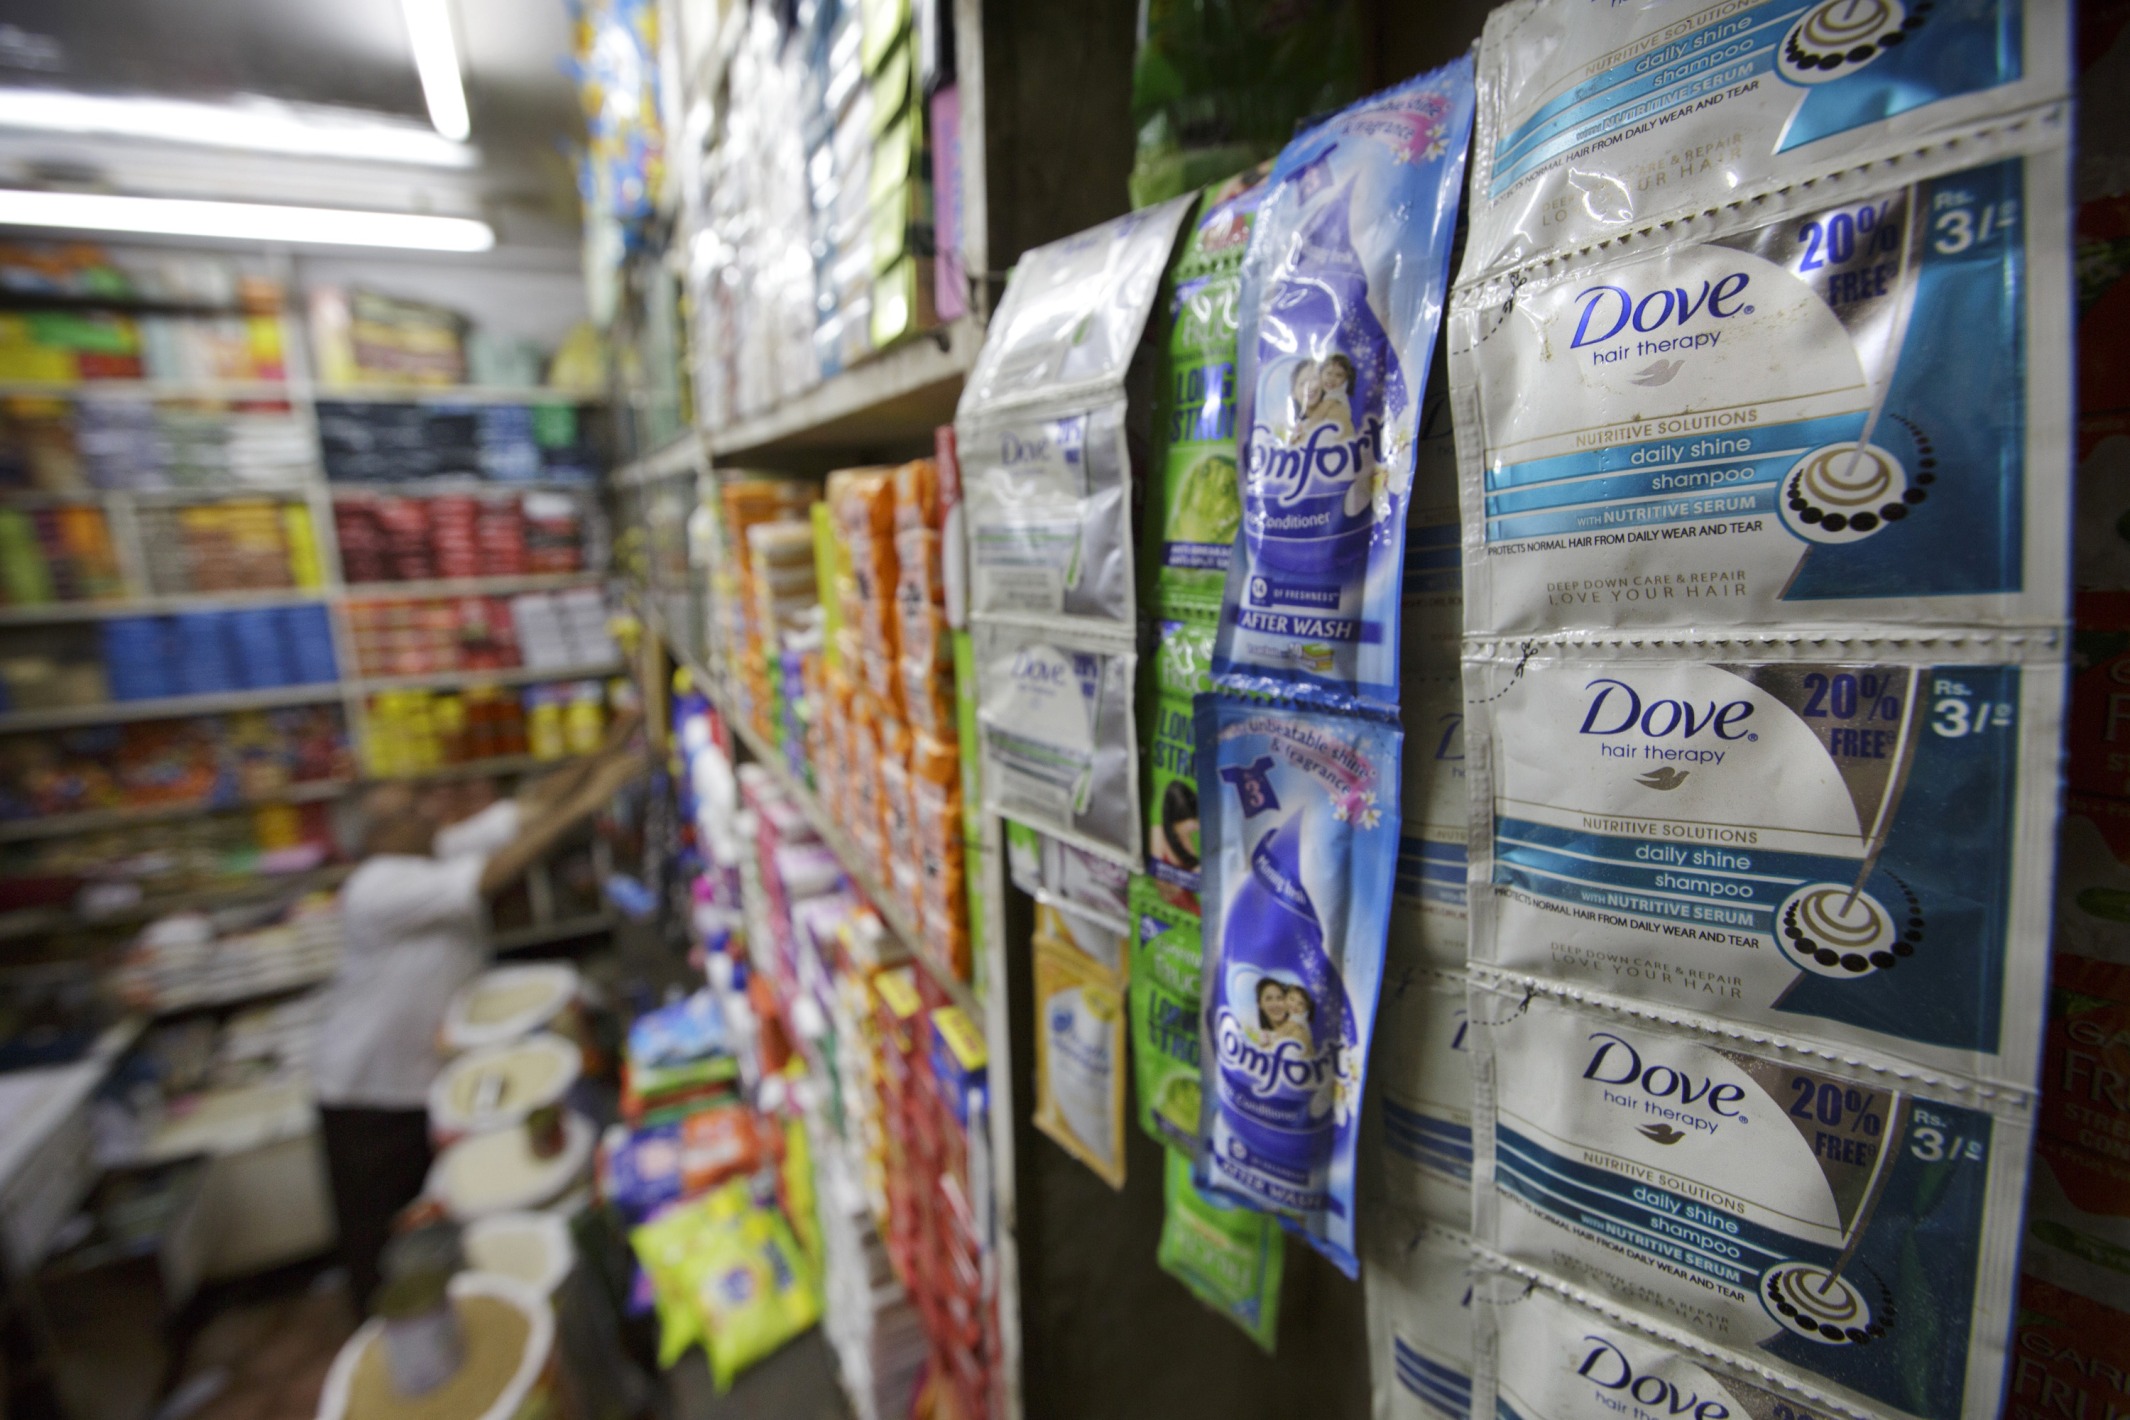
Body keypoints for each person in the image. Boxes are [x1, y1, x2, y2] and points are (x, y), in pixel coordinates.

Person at [311, 722, 646, 1309]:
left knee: (435, 1215)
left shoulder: (430, 849)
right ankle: (401, 1334)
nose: (429, 810)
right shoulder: (376, 887)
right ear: (378, 837)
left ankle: (458, 1306)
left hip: (421, 1070)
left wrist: (607, 748)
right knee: (390, 1243)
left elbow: (527, 809)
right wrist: (592, 799)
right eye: (411, 808)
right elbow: (493, 874)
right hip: (370, 1093)